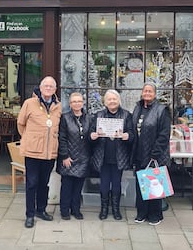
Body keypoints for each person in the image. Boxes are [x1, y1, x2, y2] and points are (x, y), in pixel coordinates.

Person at [17, 76, 62, 228]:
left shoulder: (58, 106)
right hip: (32, 151)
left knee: (44, 183)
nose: (48, 88)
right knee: (31, 184)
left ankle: (41, 210)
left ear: (55, 90)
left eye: (51, 86)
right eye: (46, 86)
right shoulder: (29, 103)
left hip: (50, 153)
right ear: (40, 88)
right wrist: (29, 139)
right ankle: (29, 215)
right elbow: (20, 124)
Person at [89, 89, 135, 220]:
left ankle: (116, 209)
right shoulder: (99, 115)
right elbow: (90, 134)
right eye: (109, 99)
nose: (112, 101)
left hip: (118, 156)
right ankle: (104, 209)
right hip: (102, 156)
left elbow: (132, 135)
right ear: (105, 102)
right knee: (104, 184)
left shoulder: (126, 115)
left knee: (116, 184)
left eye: (114, 99)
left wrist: (127, 135)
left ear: (119, 101)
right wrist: (92, 135)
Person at [132, 82, 171, 226]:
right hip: (140, 154)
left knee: (154, 185)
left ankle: (155, 215)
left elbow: (164, 134)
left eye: (150, 91)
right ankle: (141, 213)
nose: (147, 93)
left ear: (155, 94)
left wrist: (155, 153)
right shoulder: (138, 108)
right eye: (145, 91)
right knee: (141, 185)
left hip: (156, 155)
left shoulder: (162, 110)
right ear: (142, 93)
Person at [56, 92, 93, 220]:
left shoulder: (89, 118)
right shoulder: (65, 118)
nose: (77, 104)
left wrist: (94, 137)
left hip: (83, 157)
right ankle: (64, 210)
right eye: (74, 102)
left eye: (79, 101)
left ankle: (76, 209)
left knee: (78, 187)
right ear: (70, 104)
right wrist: (64, 156)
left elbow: (90, 137)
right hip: (69, 157)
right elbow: (62, 138)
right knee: (67, 186)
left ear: (83, 103)